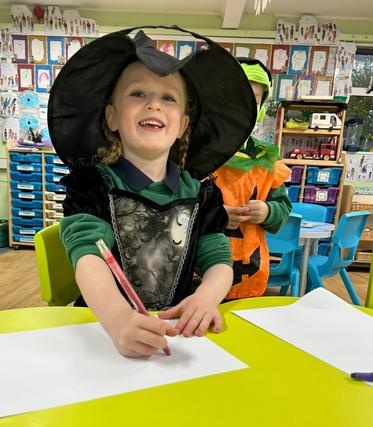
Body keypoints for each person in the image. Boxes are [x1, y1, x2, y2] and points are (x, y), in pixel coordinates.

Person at [47, 26, 257, 358]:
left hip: (175, 335)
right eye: (138, 93)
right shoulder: (92, 186)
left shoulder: (201, 194)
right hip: (103, 332)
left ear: (183, 126)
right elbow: (88, 258)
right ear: (112, 117)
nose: (154, 105)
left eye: (168, 97)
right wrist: (118, 319)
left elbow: (219, 262)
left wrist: (206, 298)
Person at [214, 57, 292, 300]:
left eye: (254, 101)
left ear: (261, 110)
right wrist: (215, 216)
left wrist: (268, 211)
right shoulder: (198, 155)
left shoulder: (266, 159)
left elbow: (283, 207)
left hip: (249, 269)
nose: (244, 107)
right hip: (200, 272)